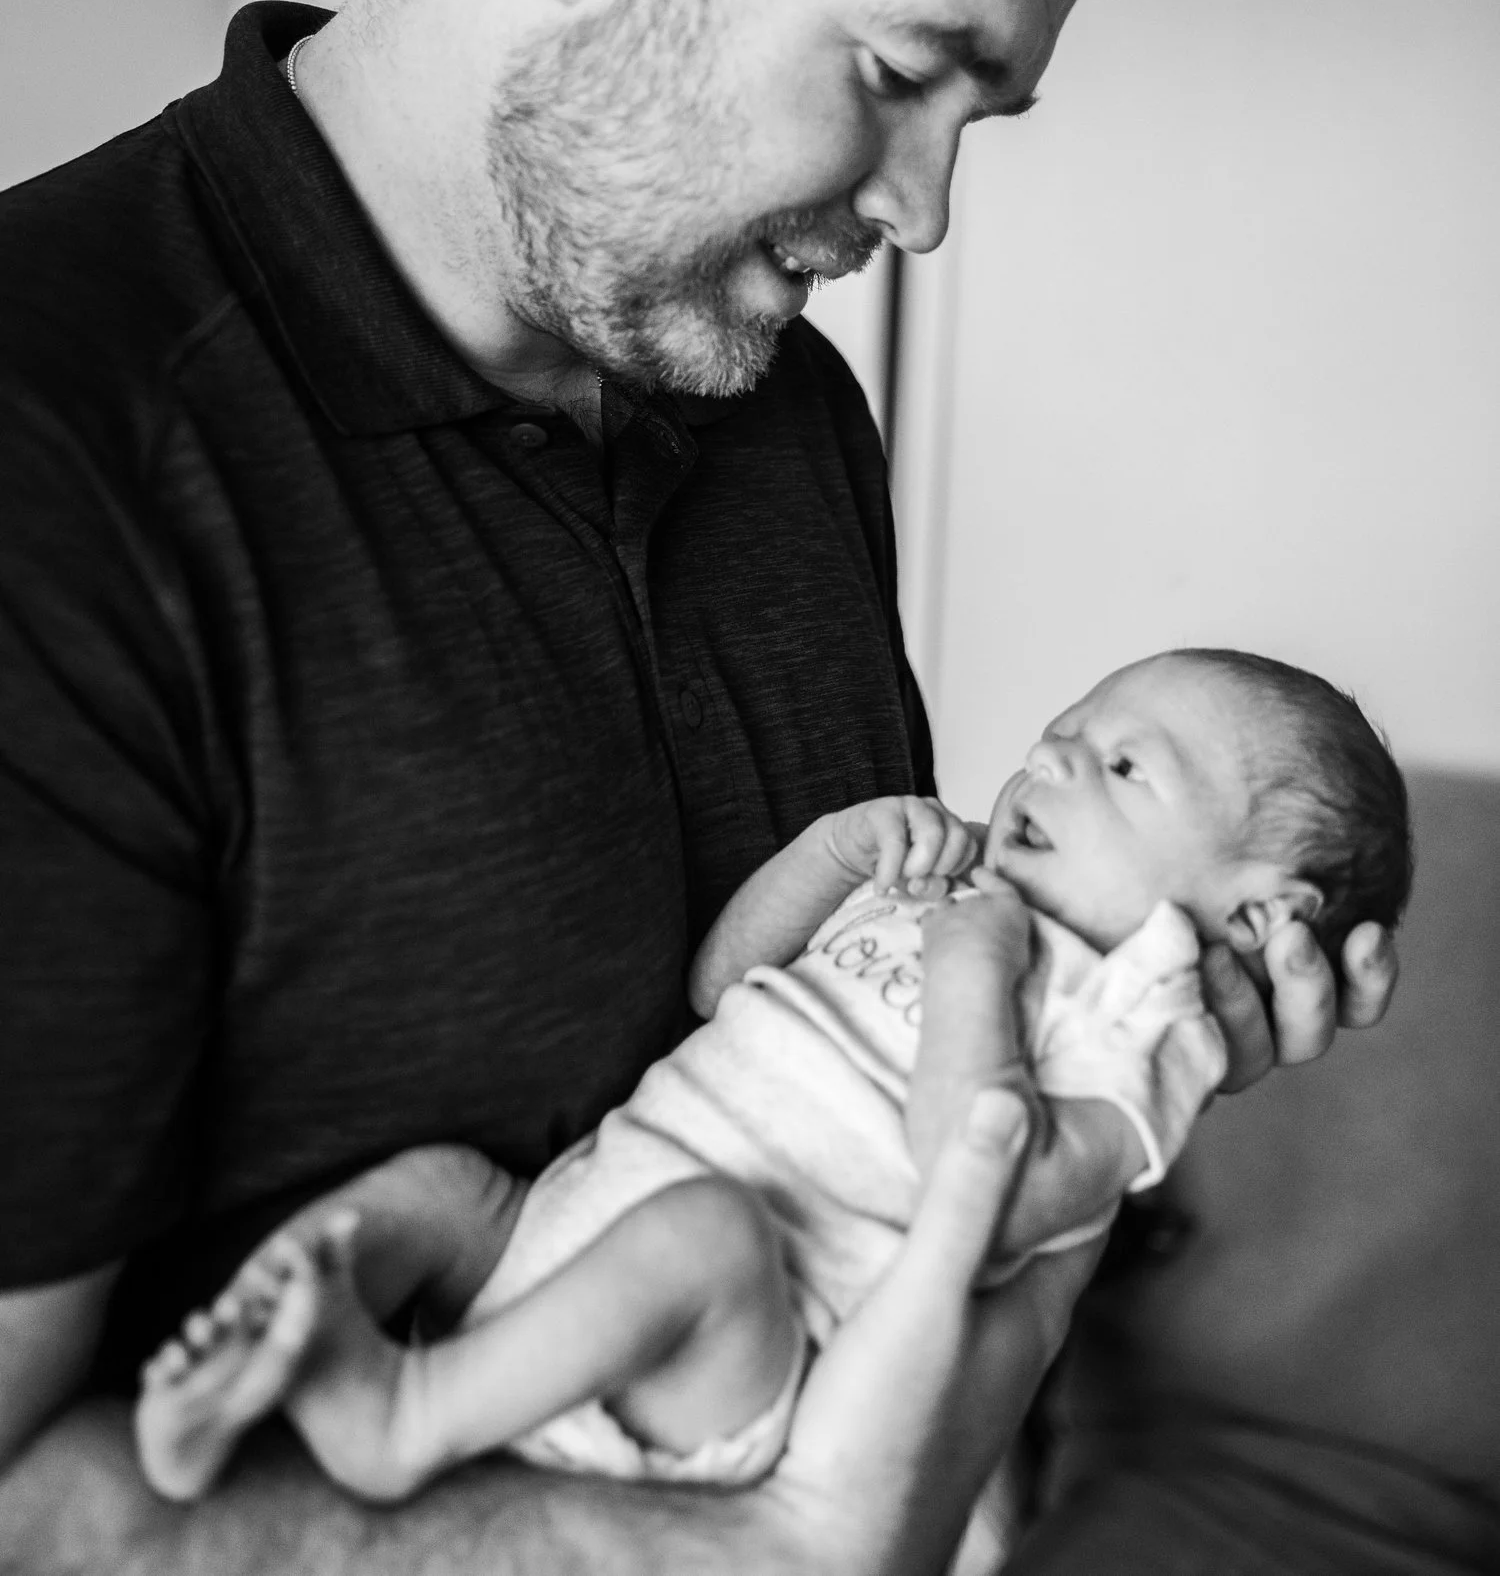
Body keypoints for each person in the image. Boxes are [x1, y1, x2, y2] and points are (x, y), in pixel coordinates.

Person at [0, 0, 1398, 1572]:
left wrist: (1150, 996)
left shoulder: (780, 410)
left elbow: (875, 1091)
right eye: (896, 73)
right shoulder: (57, 455)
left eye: (974, 121)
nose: (923, 213)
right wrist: (778, 1549)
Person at [131, 645, 1411, 1512]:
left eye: (1126, 768)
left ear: (1256, 915)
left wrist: (977, 964)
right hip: (564, 1232)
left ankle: (406, 1417)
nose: (1055, 758)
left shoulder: (1141, 1023)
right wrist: (834, 854)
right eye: (1067, 730)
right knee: (440, 1191)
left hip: (721, 1354)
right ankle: (245, 1364)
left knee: (707, 1234)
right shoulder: (958, 881)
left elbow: (988, 1191)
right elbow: (720, 982)